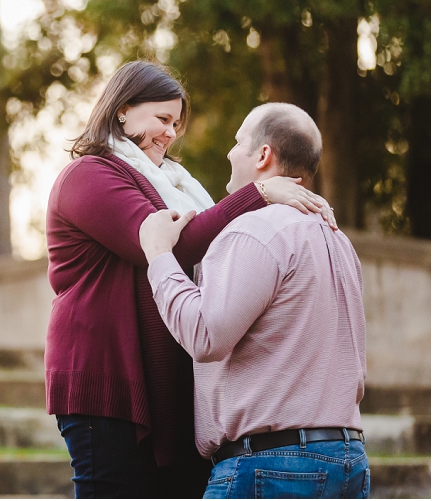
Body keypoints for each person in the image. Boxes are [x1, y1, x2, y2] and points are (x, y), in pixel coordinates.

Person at [45, 62, 333, 499]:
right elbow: (165, 245)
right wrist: (259, 193)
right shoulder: (90, 175)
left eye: (176, 123)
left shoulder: (171, 186)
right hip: (108, 380)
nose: (171, 133)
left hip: (164, 384)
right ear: (122, 110)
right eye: (162, 119)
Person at [138, 102, 368, 499]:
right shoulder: (337, 239)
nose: (230, 152)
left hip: (272, 467)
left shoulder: (252, 229)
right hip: (348, 461)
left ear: (263, 155)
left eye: (238, 141)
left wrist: (159, 257)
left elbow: (206, 335)